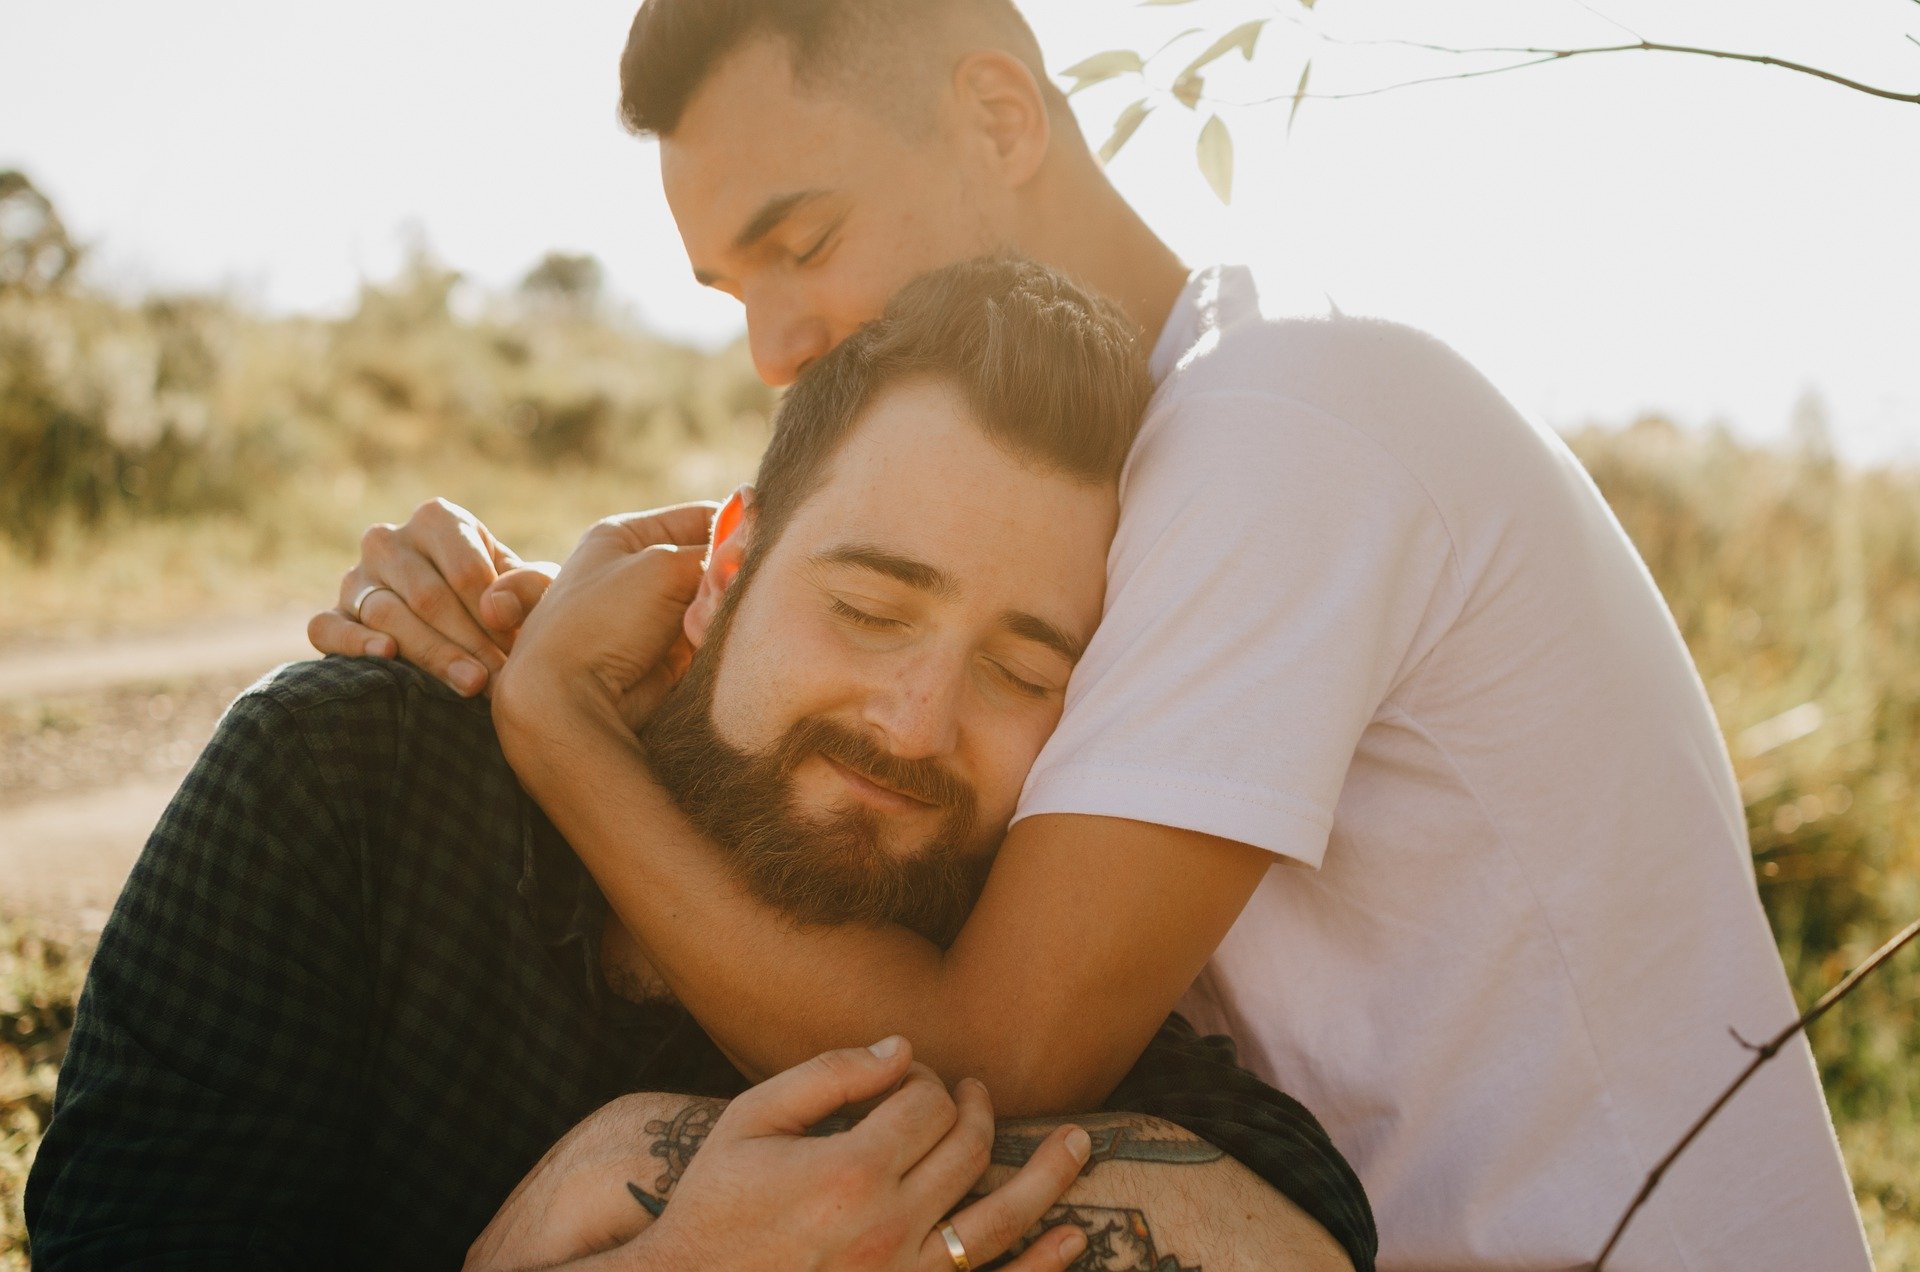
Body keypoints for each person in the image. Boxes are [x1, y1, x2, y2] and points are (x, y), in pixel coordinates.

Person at [312, 1, 1874, 1266]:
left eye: (802, 241)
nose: (775, 346)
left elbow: (996, 1051)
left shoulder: (1283, 427)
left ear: (1001, 115)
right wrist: (491, 608)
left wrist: (563, 737)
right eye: (733, 288)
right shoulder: (1138, 478)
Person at [28, 261, 1372, 1271]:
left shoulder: (993, 947)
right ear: (725, 568)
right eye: (869, 607)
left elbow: (1299, 1224)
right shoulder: (349, 784)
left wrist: (617, 1170)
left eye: (1024, 672)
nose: (913, 724)